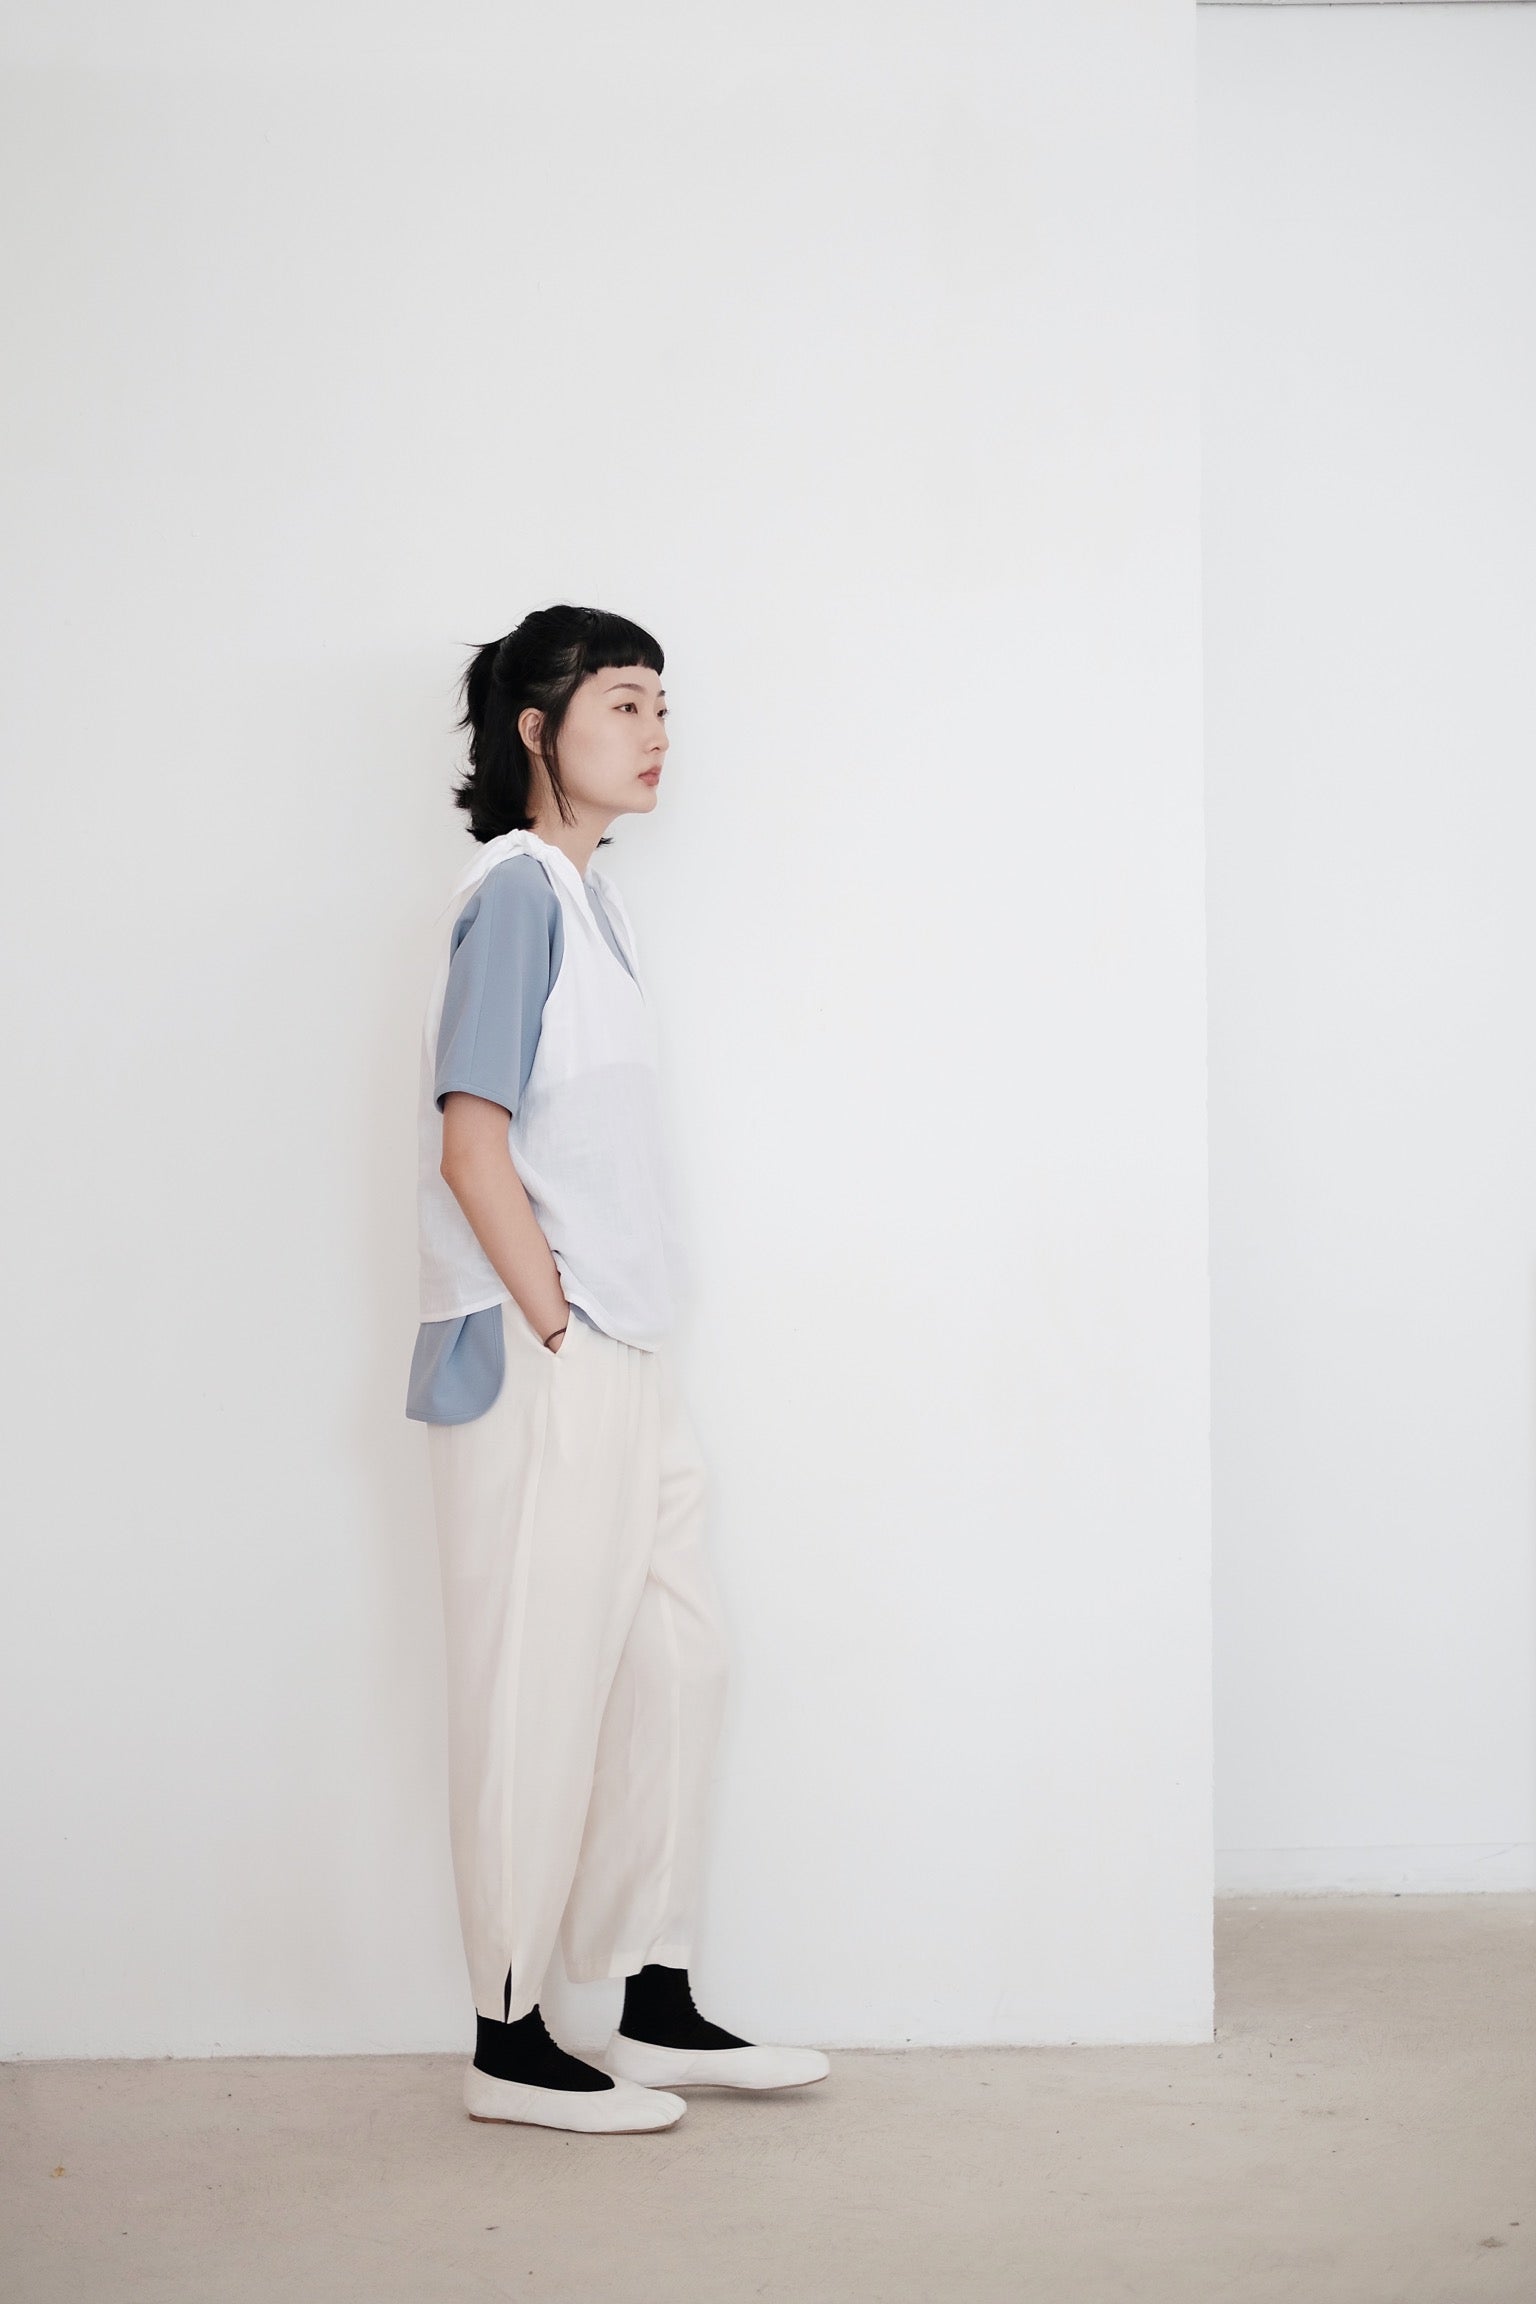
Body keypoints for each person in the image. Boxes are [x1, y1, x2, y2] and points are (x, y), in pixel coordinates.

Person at [406, 603, 830, 2135]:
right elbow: (472, 1143)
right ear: (539, 729)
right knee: (536, 1685)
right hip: (548, 1360)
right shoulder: (517, 895)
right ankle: (508, 2035)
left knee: (676, 1663)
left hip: (628, 1352)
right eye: (626, 704)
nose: (658, 734)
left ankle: (654, 1999)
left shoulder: (598, 907)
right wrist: (554, 1325)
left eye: (665, 707)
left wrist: (606, 1331)